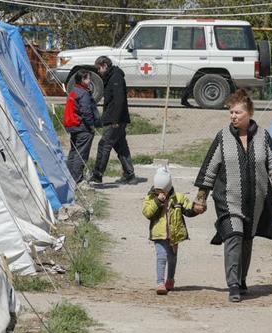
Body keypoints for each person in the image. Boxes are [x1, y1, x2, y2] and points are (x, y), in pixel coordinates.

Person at [193, 89, 272, 302]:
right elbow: (209, 168)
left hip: (255, 202)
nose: (233, 116)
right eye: (231, 113)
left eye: (237, 112)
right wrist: (201, 199)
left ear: (249, 113)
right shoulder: (223, 137)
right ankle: (233, 284)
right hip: (228, 200)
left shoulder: (263, 136)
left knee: (247, 239)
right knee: (234, 235)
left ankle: (242, 278)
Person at [142, 166, 201, 294]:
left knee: (172, 258)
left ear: (168, 188)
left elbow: (188, 209)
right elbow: (147, 213)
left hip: (174, 235)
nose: (160, 193)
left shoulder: (178, 198)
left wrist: (196, 209)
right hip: (159, 234)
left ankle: (170, 279)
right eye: (157, 191)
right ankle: (160, 283)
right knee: (161, 256)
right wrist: (157, 201)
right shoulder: (151, 198)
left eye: (162, 191)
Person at [90, 56, 136, 184]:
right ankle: (129, 173)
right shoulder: (111, 77)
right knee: (121, 146)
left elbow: (119, 100)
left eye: (99, 68)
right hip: (115, 118)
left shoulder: (116, 77)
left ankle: (97, 175)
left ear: (104, 65)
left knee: (104, 145)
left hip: (115, 120)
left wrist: (115, 120)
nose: (98, 71)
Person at [63, 70, 101, 184]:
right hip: (82, 127)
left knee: (74, 152)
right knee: (81, 154)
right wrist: (91, 126)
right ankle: (78, 179)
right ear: (82, 80)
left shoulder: (74, 90)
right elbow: (86, 112)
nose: (90, 81)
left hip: (74, 127)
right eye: (88, 79)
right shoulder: (83, 93)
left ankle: (70, 176)